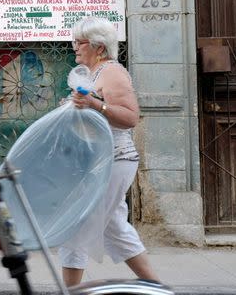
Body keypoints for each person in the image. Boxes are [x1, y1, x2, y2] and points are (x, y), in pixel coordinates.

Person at [58, 16, 159, 287]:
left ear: (99, 47)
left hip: (114, 160)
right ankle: (156, 286)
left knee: (76, 226)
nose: (74, 47)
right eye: (74, 41)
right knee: (115, 228)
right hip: (100, 162)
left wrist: (94, 104)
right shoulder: (93, 74)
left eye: (79, 42)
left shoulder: (112, 72)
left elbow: (130, 117)